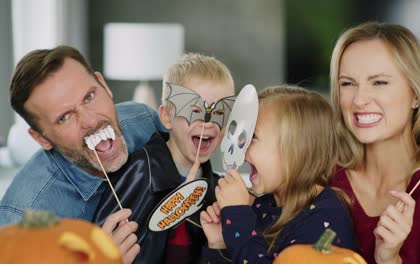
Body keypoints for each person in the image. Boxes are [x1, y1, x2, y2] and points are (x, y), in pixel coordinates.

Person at [329, 22, 420, 263]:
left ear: (416, 94)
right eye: (347, 83)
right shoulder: (321, 177)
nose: (359, 99)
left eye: (379, 82)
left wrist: (390, 260)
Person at [0, 46, 165, 247]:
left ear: (103, 85)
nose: (91, 120)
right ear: (41, 139)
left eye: (89, 97)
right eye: (65, 117)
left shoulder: (143, 120)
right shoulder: (22, 223)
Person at [93, 53, 236, 263]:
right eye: (195, 111)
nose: (208, 123)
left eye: (220, 113)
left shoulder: (215, 188)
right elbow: (103, 237)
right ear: (167, 117)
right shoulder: (141, 171)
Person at [201, 85, 357, 263]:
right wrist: (219, 243)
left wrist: (238, 216)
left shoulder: (326, 219)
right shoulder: (264, 206)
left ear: (296, 152)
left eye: (253, 138)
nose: (241, 150)